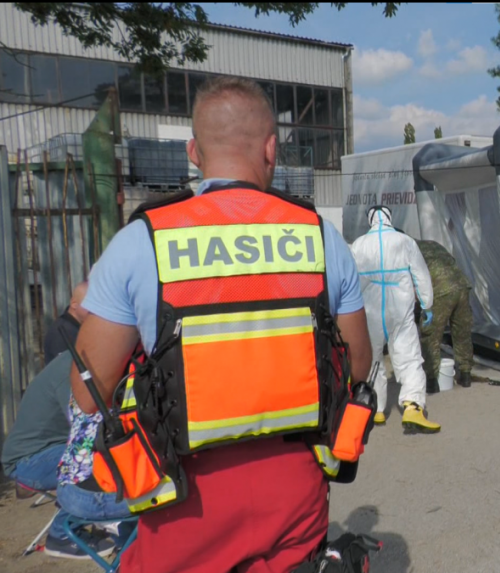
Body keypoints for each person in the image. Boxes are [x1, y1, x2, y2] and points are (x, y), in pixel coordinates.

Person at [69, 76, 371, 573]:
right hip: (296, 500)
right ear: (271, 149)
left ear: (193, 151)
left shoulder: (142, 239)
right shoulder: (320, 236)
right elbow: (358, 365)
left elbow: (88, 393)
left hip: (181, 507)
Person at [2, 351, 127, 559]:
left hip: (51, 449)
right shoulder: (73, 370)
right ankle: (61, 536)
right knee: (96, 461)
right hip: (29, 461)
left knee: (97, 459)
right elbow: (87, 429)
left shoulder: (86, 361)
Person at [351, 206, 440, 433]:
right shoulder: (405, 242)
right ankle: (412, 407)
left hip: (369, 312)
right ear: (390, 218)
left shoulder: (358, 245)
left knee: (372, 359)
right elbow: (420, 273)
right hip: (399, 311)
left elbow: (348, 280)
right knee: (409, 358)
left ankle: (376, 409)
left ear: (370, 220)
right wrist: (427, 304)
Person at [414, 239, 475, 392]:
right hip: (461, 285)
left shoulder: (408, 249)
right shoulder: (433, 244)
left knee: (431, 335)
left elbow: (412, 280)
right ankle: (465, 374)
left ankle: (432, 381)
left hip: (441, 290)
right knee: (462, 333)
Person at [42, 281, 89, 365]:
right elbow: (64, 370)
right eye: (91, 304)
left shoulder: (79, 326)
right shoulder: (61, 333)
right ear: (74, 304)